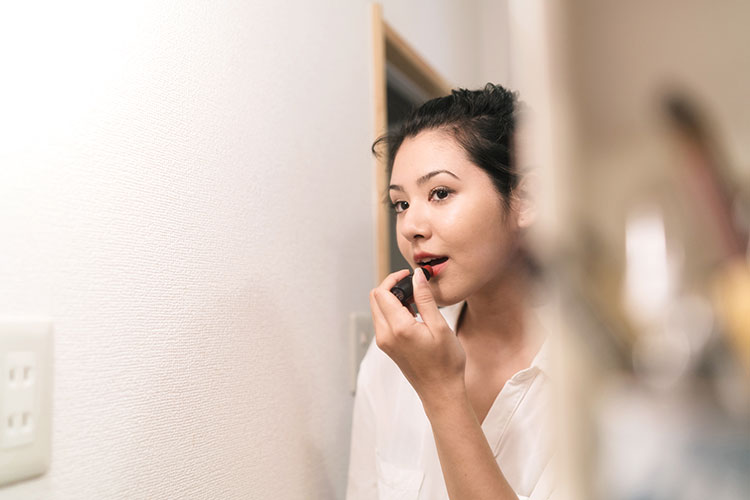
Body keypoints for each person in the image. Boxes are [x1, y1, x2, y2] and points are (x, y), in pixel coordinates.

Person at [346, 84, 555, 500]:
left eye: (440, 193)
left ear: (525, 200)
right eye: (400, 204)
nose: (409, 227)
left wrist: (442, 391)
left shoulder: (592, 376)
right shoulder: (392, 356)